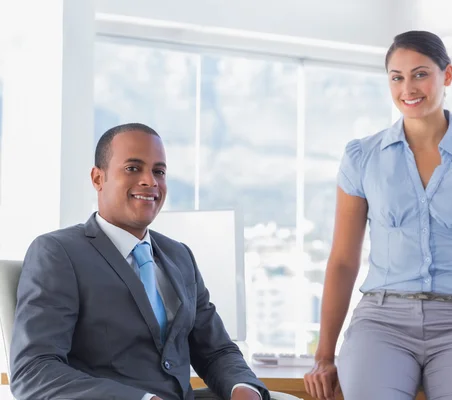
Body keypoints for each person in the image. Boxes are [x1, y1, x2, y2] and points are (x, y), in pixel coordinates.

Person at [303, 31, 452, 400]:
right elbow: (343, 261)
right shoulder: (362, 158)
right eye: (396, 77)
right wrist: (324, 356)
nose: (407, 88)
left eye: (419, 74)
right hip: (381, 322)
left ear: (447, 76)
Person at [10, 123, 269, 400]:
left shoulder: (180, 256)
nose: (150, 181)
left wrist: (243, 388)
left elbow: (217, 350)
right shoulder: (58, 253)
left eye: (159, 171)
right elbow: (34, 370)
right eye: (133, 168)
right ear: (98, 178)